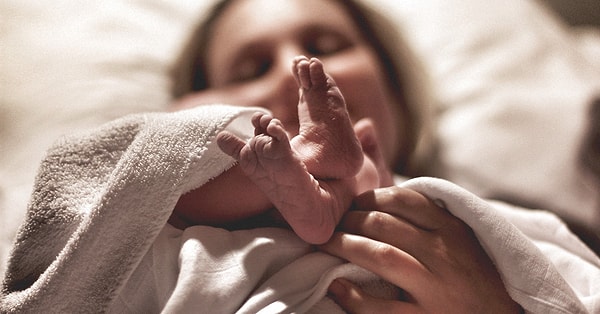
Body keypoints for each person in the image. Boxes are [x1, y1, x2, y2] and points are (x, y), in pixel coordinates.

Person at [167, 0, 523, 312]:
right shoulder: (178, 238)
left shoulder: (509, 232)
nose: (294, 69)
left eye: (328, 47)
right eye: (253, 70)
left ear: (394, 86)